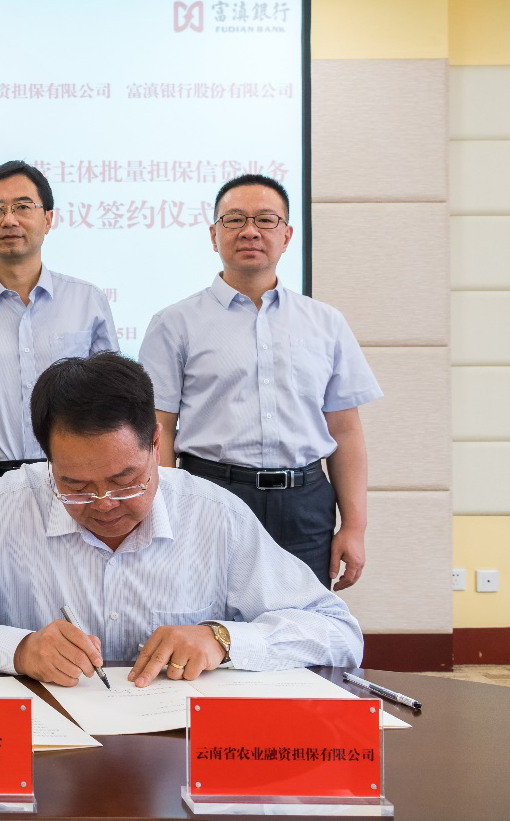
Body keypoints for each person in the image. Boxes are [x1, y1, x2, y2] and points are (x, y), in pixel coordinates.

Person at [0, 353, 362, 687]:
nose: (103, 503)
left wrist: (222, 640)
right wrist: (17, 649)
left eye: (126, 481)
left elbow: (338, 633)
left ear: (156, 445)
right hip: (45, 748)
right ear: (47, 459)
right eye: (75, 485)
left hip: (172, 755)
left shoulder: (214, 514)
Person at [139, 173, 382, 591]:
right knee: (208, 617)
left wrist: (354, 527)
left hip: (305, 505)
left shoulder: (325, 323)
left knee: (304, 621)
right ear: (214, 235)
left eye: (266, 220)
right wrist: (164, 512)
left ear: (286, 236)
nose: (250, 231)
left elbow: (345, 431)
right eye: (234, 219)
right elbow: (159, 428)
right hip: (211, 495)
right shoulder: (173, 324)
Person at [0, 160, 118, 516]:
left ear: (48, 219)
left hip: (71, 485)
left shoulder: (88, 302)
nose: (9, 220)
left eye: (22, 207)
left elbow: (111, 408)